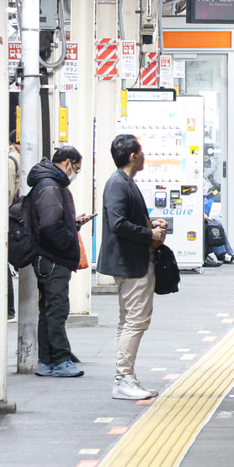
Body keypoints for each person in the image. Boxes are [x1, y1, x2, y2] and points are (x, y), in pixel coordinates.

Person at [97, 133, 168, 400]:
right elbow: (118, 224)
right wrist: (149, 234)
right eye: (141, 152)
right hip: (131, 263)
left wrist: (152, 225)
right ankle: (123, 378)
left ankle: (125, 375)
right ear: (132, 156)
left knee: (128, 321)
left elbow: (126, 219)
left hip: (130, 261)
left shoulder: (124, 182)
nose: (144, 157)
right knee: (135, 321)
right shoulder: (118, 184)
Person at [30, 145, 91, 378]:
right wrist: (67, 242)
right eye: (76, 168)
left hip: (48, 257)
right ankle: (61, 360)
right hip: (54, 258)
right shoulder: (51, 186)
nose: (75, 172)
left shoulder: (48, 184)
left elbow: (52, 220)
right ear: (67, 163)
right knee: (56, 310)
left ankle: (46, 361)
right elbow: (49, 226)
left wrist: (72, 224)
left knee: (47, 310)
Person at [7, 131, 21, 322]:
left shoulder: (11, 160)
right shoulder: (21, 159)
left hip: (9, 219)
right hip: (17, 219)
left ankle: (8, 309)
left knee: (1, 264)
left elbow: (7, 192)